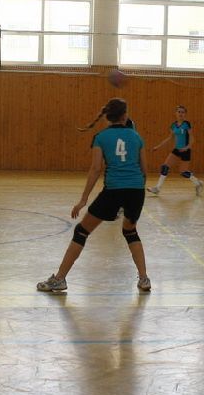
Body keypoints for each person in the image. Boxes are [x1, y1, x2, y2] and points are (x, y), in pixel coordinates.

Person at [37, 98, 151, 293]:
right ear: (125, 116)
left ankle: (59, 279)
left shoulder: (101, 137)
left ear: (107, 117)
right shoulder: (136, 136)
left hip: (113, 190)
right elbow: (144, 171)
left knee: (81, 231)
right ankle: (144, 279)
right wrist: (134, 192)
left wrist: (83, 200)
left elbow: (96, 169)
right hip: (136, 190)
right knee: (130, 231)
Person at [147, 105, 204, 196]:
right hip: (176, 150)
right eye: (179, 112)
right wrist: (158, 146)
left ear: (185, 114)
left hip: (185, 151)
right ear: (176, 113)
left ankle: (198, 183)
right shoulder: (173, 125)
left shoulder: (186, 124)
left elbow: (192, 138)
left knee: (183, 172)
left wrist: (187, 147)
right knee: (165, 167)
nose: (180, 114)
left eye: (182, 112)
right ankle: (157, 188)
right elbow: (170, 138)